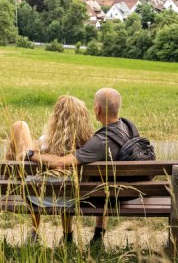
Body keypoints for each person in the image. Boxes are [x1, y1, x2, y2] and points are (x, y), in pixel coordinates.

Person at [14, 87, 141, 248]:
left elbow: (59, 162)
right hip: (112, 194)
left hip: (40, 198)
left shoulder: (96, 143)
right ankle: (96, 236)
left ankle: (37, 233)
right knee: (103, 182)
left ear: (97, 109)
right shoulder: (127, 128)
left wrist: (30, 153)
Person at [6, 95, 93, 245]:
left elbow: (25, 154)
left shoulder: (45, 142)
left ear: (55, 117)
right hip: (71, 200)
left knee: (19, 126)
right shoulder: (88, 146)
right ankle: (67, 235)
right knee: (64, 187)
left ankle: (34, 231)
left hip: (36, 198)